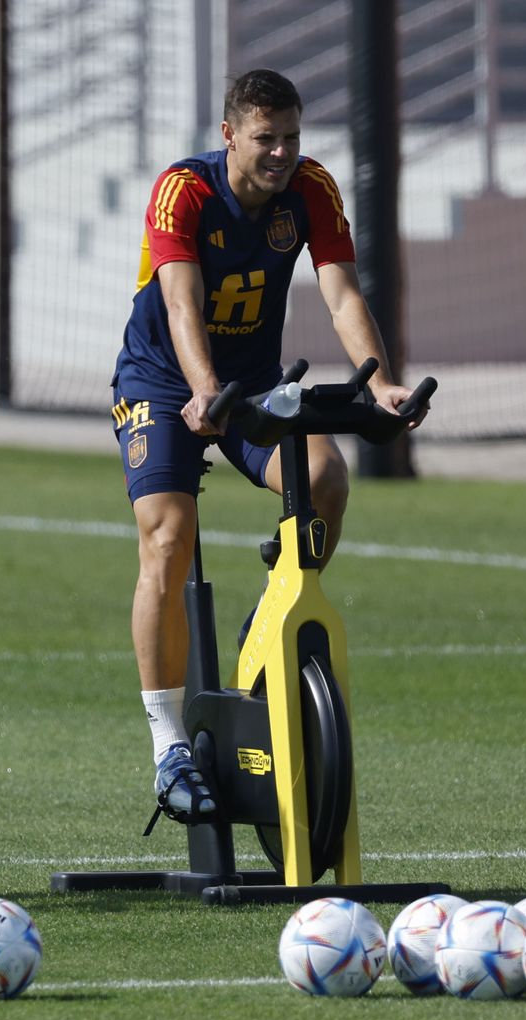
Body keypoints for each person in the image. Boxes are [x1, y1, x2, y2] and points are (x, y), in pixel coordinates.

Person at [110, 69, 427, 822]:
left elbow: (343, 290)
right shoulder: (181, 192)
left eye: (291, 136)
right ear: (228, 136)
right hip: (163, 378)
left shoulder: (311, 187)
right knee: (169, 535)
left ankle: (266, 631)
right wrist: (199, 387)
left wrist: (377, 382)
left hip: (252, 382)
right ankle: (168, 745)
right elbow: (181, 300)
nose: (282, 152)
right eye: (265, 138)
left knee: (327, 480)